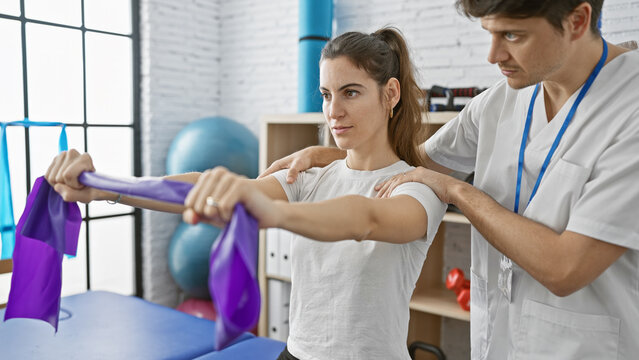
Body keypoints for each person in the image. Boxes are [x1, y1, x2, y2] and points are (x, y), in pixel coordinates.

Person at [260, 1, 639, 359]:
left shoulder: (630, 110)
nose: (492, 55)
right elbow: (409, 163)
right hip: (498, 340)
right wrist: (332, 159)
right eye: (490, 33)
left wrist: (459, 190)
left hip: (581, 346)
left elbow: (565, 268)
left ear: (577, 21)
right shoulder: (497, 103)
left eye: (512, 35)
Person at [46, 28, 447, 360]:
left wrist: (275, 215)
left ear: (390, 94)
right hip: (296, 355)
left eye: (351, 92)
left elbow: (366, 219)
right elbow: (208, 188)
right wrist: (108, 188)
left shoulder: (417, 188)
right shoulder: (309, 176)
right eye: (326, 94)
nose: (333, 111)